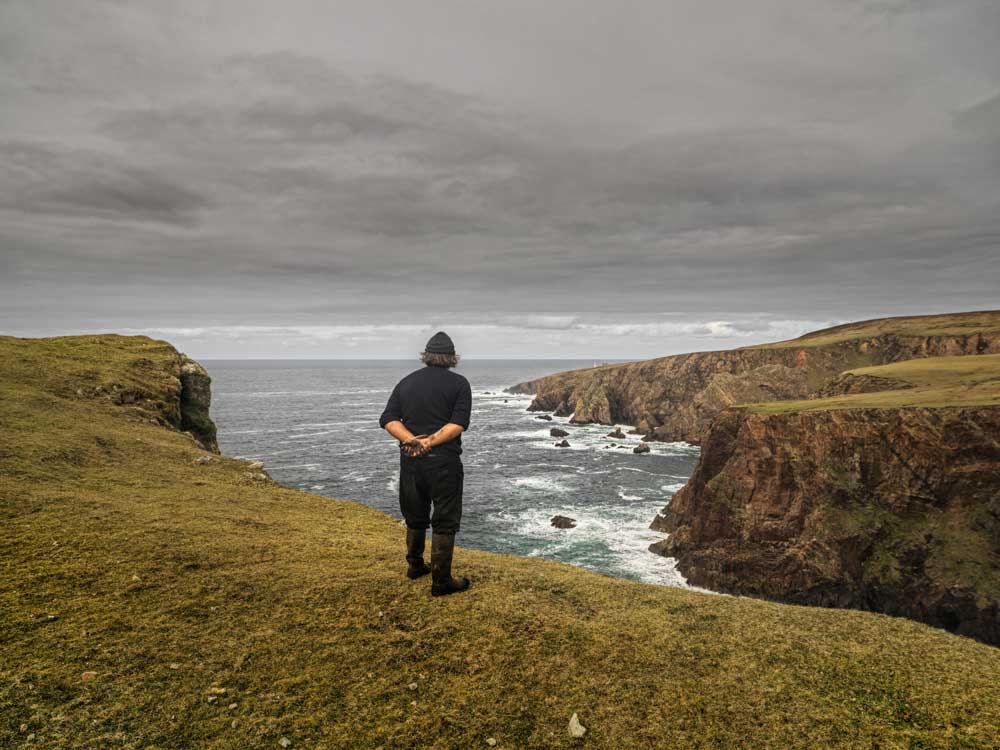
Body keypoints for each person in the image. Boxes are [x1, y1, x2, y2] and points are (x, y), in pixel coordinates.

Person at [379, 331, 472, 596]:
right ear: (452, 357)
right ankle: (441, 582)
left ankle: (415, 566)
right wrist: (429, 443)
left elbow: (388, 419)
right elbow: (458, 424)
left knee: (415, 514)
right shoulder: (459, 384)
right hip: (444, 463)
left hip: (411, 461)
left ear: (426, 356)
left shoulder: (406, 382)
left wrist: (412, 441)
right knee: (444, 520)